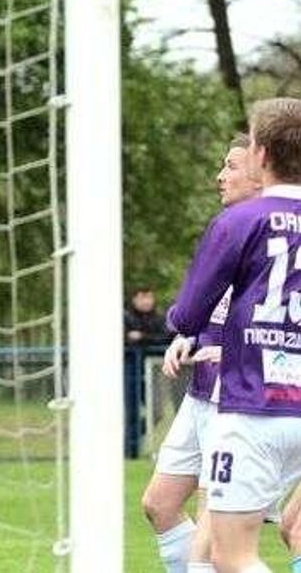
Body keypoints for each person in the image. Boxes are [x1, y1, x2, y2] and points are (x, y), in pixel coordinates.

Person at [167, 98, 301, 573]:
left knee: (230, 555)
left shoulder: (241, 221)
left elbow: (188, 316)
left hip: (254, 405)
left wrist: (181, 323)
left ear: (261, 154)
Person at [141, 134, 261, 572]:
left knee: (213, 547)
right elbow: (206, 306)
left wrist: (236, 353)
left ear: (261, 172)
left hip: (240, 401)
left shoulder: (277, 237)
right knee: (159, 505)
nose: (220, 176)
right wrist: (188, 338)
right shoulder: (226, 230)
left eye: (232, 166)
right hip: (201, 395)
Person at [124, 285, 172, 458]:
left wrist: (143, 337)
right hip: (131, 371)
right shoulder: (126, 318)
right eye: (142, 297)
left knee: (157, 411)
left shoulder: (159, 319)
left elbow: (165, 337)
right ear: (134, 300)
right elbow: (127, 339)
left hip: (153, 371)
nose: (146, 301)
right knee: (131, 412)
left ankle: (133, 439)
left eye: (149, 297)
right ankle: (130, 450)